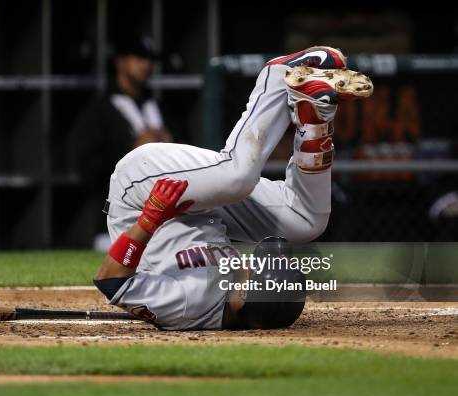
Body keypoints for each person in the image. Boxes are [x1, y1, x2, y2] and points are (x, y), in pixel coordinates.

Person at [92, 47, 374, 330]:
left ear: (243, 298)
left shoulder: (188, 305)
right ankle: (315, 119)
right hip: (200, 208)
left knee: (237, 178)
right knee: (306, 222)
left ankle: (277, 76)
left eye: (257, 271)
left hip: (143, 194)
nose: (253, 263)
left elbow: (112, 282)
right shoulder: (237, 294)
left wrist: (149, 220)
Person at [69, 36, 171, 249]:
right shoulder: (100, 111)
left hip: (166, 225)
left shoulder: (160, 108)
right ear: (120, 62)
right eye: (139, 58)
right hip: (114, 225)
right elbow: (86, 169)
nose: (147, 65)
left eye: (150, 59)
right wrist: (133, 151)